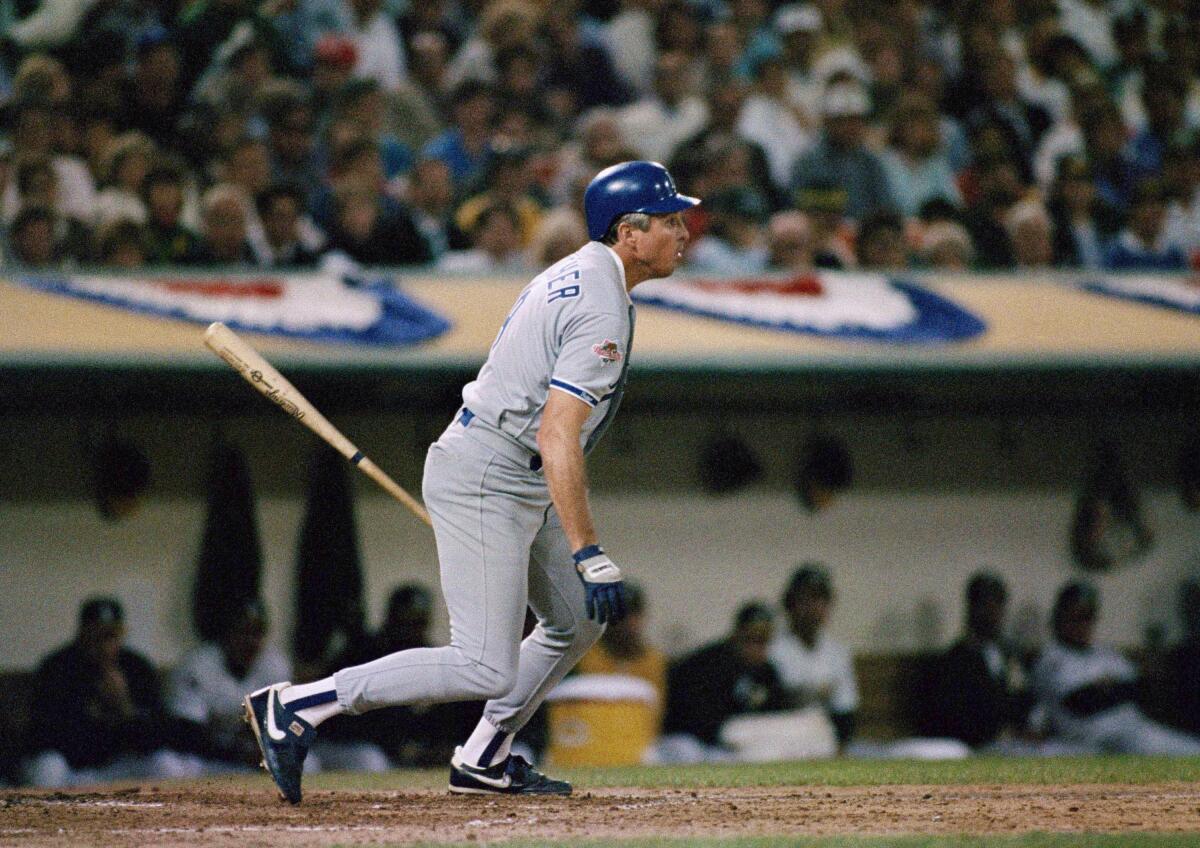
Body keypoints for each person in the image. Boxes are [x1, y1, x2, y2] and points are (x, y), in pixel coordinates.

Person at [243, 160, 698, 802]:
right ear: (629, 230)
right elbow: (557, 434)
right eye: (671, 220)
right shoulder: (598, 299)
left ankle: (484, 756)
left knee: (574, 619)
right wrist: (587, 550)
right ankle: (298, 704)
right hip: (491, 470)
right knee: (484, 663)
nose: (685, 232)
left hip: (511, 472)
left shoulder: (589, 274)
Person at [22, 598, 198, 787]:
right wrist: (93, 712)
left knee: (166, 765)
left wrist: (125, 708)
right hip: (73, 767)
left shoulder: (136, 667)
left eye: (111, 635)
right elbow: (45, 735)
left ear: (122, 634)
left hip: (118, 764)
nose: (104, 644)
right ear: (82, 633)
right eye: (97, 635)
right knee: (47, 769)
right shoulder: (58, 667)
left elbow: (159, 733)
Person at [1030, 581, 1200, 756]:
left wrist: (1113, 687)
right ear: (1060, 616)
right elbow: (1080, 702)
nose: (1084, 623)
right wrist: (1117, 689)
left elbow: (1142, 684)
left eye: (1089, 616)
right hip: (1090, 741)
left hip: (1133, 731)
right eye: (1077, 616)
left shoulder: (1104, 653)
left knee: (1194, 750)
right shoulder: (1051, 658)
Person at [659, 602, 789, 760]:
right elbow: (689, 715)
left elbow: (776, 714)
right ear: (737, 634)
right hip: (689, 739)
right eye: (751, 639)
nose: (757, 647)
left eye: (763, 641)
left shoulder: (767, 673)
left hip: (729, 748)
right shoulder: (708, 663)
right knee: (687, 753)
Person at [928, 572, 1032, 750]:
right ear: (972, 607)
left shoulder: (1009, 653)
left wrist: (1025, 728)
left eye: (997, 604)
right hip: (973, 745)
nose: (992, 612)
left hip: (1013, 742)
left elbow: (1024, 697)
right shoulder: (955, 659)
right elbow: (953, 715)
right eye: (985, 604)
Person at [767, 564, 857, 750]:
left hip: (825, 741)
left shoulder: (837, 653)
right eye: (805, 598)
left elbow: (846, 710)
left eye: (820, 599)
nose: (814, 607)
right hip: (779, 740)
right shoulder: (771, 649)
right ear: (790, 603)